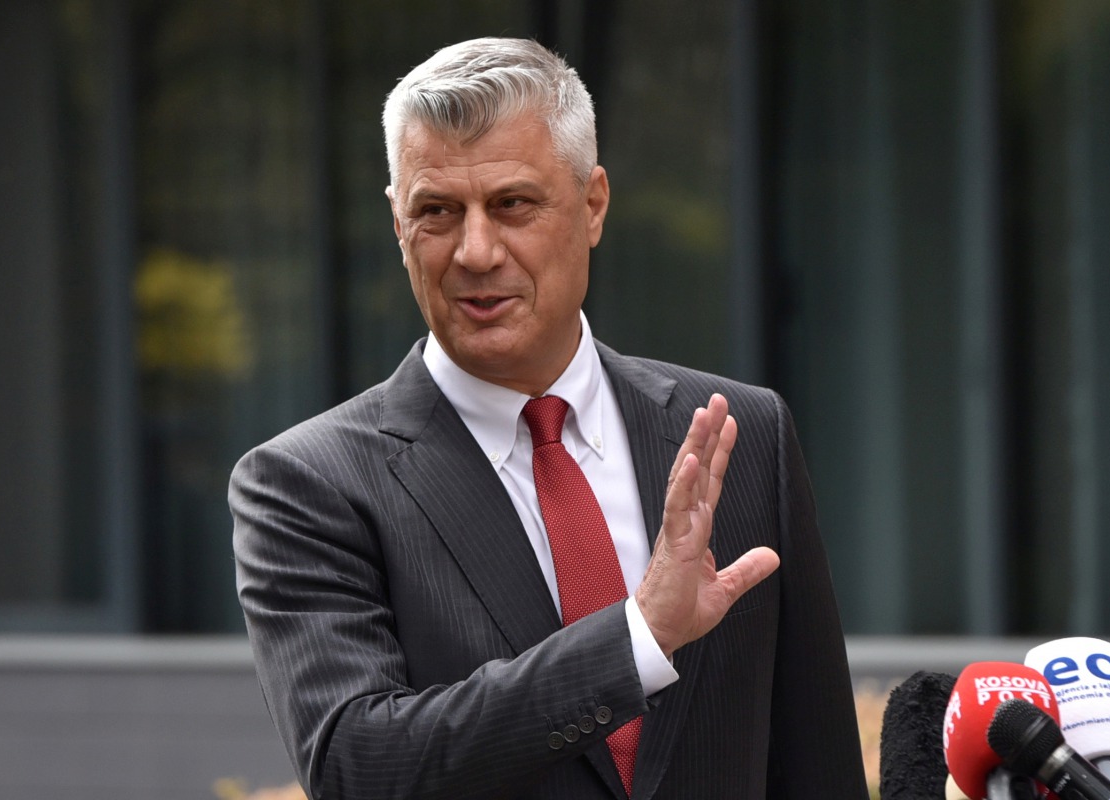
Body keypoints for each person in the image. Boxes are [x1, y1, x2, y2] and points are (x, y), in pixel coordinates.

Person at [230, 37, 868, 800]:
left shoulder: (742, 434)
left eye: (512, 205)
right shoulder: (305, 484)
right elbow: (357, 765)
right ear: (399, 224)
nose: (474, 250)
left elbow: (816, 764)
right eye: (436, 211)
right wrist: (637, 640)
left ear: (592, 205)